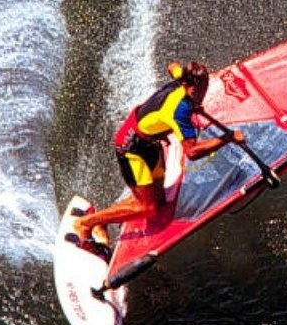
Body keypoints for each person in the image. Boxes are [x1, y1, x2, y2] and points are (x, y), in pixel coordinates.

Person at [68, 61, 244, 258]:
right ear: (186, 86)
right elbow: (192, 152)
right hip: (131, 149)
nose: (201, 95)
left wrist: (192, 95)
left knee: (156, 201)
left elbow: (172, 66)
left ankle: (102, 220)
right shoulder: (180, 112)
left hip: (150, 143)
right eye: (197, 91)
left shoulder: (182, 79)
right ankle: (85, 224)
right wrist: (227, 138)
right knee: (149, 208)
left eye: (204, 88)